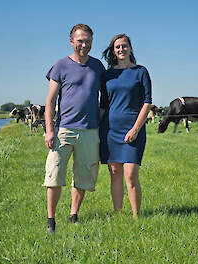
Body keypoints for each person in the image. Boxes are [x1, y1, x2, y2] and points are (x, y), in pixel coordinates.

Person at [43, 24, 106, 233]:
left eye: (88, 40)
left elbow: (106, 96)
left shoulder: (98, 67)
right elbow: (50, 101)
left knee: (83, 176)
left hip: (89, 131)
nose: (84, 44)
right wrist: (50, 130)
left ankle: (74, 214)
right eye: (80, 40)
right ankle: (51, 220)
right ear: (71, 41)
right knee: (54, 175)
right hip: (64, 129)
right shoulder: (60, 66)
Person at [99, 34, 152, 219]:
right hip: (110, 130)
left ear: (130, 48)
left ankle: (136, 216)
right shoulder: (107, 75)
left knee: (130, 175)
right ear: (113, 51)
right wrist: (96, 129)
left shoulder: (141, 72)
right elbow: (103, 105)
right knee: (114, 173)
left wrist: (135, 129)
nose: (121, 49)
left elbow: (147, 103)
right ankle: (118, 214)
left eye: (124, 46)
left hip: (133, 129)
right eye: (117, 47)